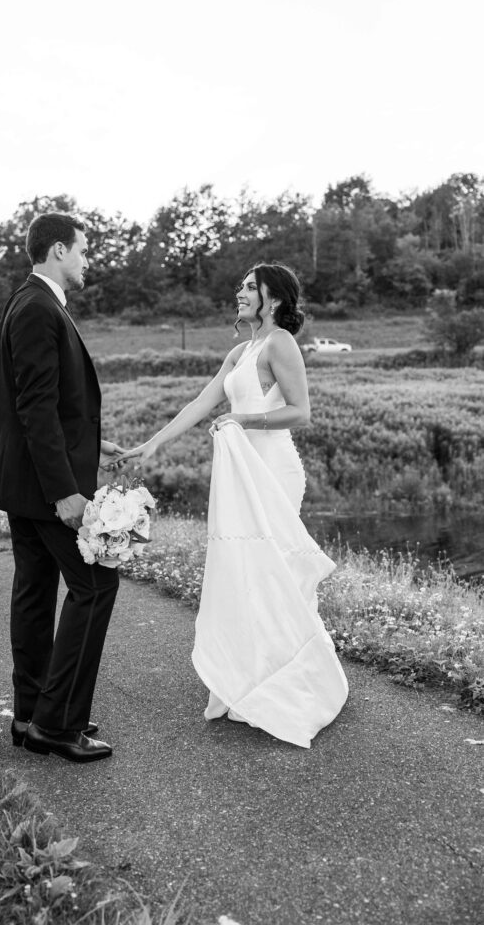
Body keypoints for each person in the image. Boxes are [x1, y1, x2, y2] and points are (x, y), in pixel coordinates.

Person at [122, 263, 348, 748]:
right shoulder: (240, 351)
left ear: (275, 299)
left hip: (273, 471)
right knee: (247, 571)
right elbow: (200, 404)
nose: (240, 292)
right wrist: (152, 444)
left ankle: (291, 676)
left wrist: (242, 419)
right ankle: (249, 676)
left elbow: (300, 412)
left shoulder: (279, 344)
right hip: (245, 469)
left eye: (250, 287)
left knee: (274, 570)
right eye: (242, 285)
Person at [0, 212, 124, 762]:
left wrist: (90, 446)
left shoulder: (28, 301)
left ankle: (29, 714)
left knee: (36, 590)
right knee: (95, 585)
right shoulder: (39, 307)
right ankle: (58, 725)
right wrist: (65, 489)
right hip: (44, 486)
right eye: (84, 250)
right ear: (59, 250)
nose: (88, 260)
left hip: (23, 479)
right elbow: (33, 405)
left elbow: (46, 405)